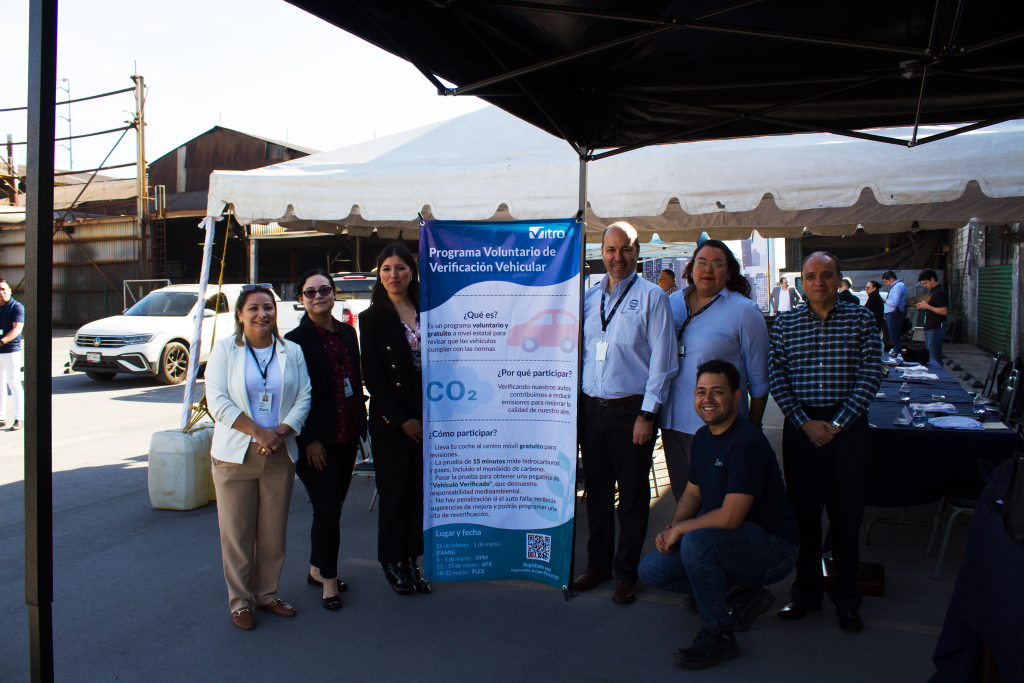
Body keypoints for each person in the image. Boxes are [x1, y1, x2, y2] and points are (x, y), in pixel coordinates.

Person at [638, 360, 799, 670]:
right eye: (701, 392)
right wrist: (672, 528)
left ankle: (719, 635)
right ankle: (740, 595)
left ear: (736, 397)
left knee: (696, 544)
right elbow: (693, 493)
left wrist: (682, 531)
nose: (707, 399)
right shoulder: (702, 437)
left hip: (773, 546)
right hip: (731, 543)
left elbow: (730, 518)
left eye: (717, 392)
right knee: (652, 570)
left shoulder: (746, 442)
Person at [769, 252, 881, 633]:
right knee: (804, 514)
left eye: (827, 275)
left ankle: (847, 598)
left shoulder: (861, 319)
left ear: (839, 279)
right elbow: (777, 375)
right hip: (801, 427)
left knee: (846, 516)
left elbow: (871, 373)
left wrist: (836, 424)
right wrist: (805, 423)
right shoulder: (785, 324)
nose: (819, 282)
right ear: (802, 282)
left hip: (847, 427)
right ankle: (806, 593)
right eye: (811, 276)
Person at [574, 221, 677, 605]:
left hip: (631, 412)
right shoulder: (588, 298)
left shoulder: (653, 297)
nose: (618, 257)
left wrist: (647, 415)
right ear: (602, 253)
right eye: (611, 250)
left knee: (632, 497)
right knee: (597, 493)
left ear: (637, 252)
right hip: (591, 410)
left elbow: (663, 362)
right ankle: (597, 565)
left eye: (626, 249)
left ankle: (626, 573)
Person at [205, 284, 312, 631]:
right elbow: (217, 400)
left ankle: (267, 594)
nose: (262, 314)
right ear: (240, 314)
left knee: (272, 532)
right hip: (235, 456)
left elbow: (304, 396)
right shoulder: (225, 350)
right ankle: (240, 602)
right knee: (237, 534)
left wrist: (279, 432)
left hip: (279, 452)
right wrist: (258, 432)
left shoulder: (291, 351)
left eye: (268, 307)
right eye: (253, 308)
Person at [284, 269, 367, 611]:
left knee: (332, 507)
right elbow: (294, 395)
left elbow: (354, 379)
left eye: (324, 290)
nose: (318, 296)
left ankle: (317, 568)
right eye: (310, 292)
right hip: (315, 441)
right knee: (328, 508)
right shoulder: (293, 341)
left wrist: (361, 426)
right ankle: (329, 582)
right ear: (301, 299)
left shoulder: (347, 332)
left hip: (347, 434)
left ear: (334, 294)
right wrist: (310, 439)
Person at [660, 239, 769, 501]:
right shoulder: (672, 303)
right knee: (683, 501)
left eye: (717, 264)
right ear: (691, 268)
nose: (708, 269)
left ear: (729, 272)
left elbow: (759, 381)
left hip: (718, 428)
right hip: (672, 425)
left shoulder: (744, 311)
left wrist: (752, 429)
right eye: (702, 262)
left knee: (716, 506)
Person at [359, 243, 431, 596]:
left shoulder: (427, 309)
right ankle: (392, 562)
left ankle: (411, 560)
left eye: (400, 267)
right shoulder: (372, 318)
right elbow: (373, 377)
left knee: (418, 495)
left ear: (411, 272)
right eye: (386, 268)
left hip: (428, 414)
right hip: (393, 422)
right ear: (379, 274)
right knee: (394, 495)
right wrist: (403, 420)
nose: (393, 274)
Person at [0, 279, 24, 430]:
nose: (1, 292)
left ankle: (18, 418)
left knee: (14, 383)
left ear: (9, 290)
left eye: (4, 289)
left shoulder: (16, 307)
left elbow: (17, 329)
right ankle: (1, 417)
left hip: (11, 351)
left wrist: (2, 341)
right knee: (0, 385)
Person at [916, 269, 948, 363]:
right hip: (930, 329)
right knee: (930, 359)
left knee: (935, 360)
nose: (925, 286)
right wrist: (924, 306)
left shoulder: (939, 292)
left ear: (932, 279)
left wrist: (927, 306)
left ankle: (939, 373)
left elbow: (944, 311)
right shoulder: (933, 291)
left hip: (935, 329)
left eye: (926, 283)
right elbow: (934, 308)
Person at [882, 271, 907, 356]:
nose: (886, 284)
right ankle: (897, 352)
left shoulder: (898, 286)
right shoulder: (897, 286)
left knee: (894, 336)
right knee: (894, 336)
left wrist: (885, 301)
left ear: (891, 279)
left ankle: (897, 354)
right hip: (893, 314)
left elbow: (895, 302)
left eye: (887, 282)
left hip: (894, 314)